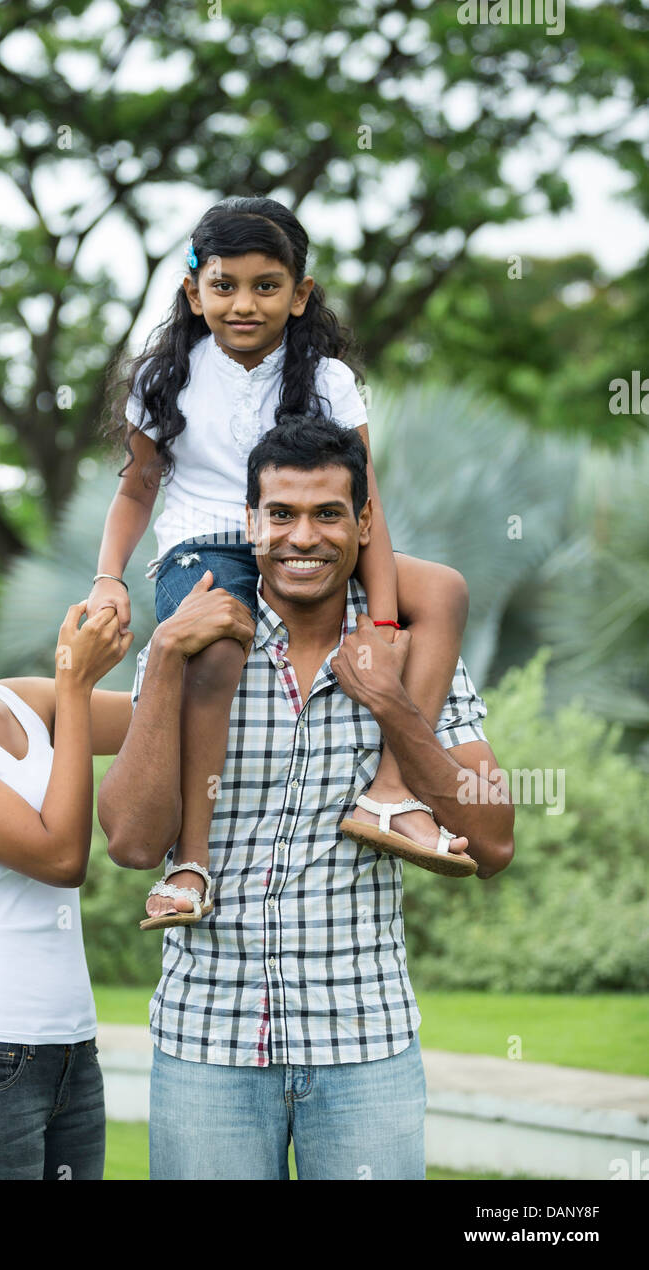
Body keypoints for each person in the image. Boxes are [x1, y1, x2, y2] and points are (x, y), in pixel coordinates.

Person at [98, 416, 514, 1181]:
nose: (303, 537)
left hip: (364, 1048)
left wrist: (393, 706)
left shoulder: (409, 649)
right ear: (250, 522)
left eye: (328, 514)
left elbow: (492, 844)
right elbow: (128, 843)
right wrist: (160, 654)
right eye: (281, 514)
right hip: (208, 1045)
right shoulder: (200, 643)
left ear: (363, 523)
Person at [89, 196, 475, 930]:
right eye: (224, 284)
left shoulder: (326, 378)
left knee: (445, 592)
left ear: (299, 295)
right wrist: (110, 574)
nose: (244, 303)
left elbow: (368, 504)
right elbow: (137, 490)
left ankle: (390, 796)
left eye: (267, 285)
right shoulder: (162, 380)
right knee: (217, 647)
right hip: (208, 541)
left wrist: (387, 619)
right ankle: (192, 860)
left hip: (313, 533)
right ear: (192, 290)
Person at [0, 505, 249, 1180]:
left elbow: (170, 716)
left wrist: (181, 636)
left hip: (67, 1054)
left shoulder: (25, 702)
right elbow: (62, 858)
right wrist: (74, 681)